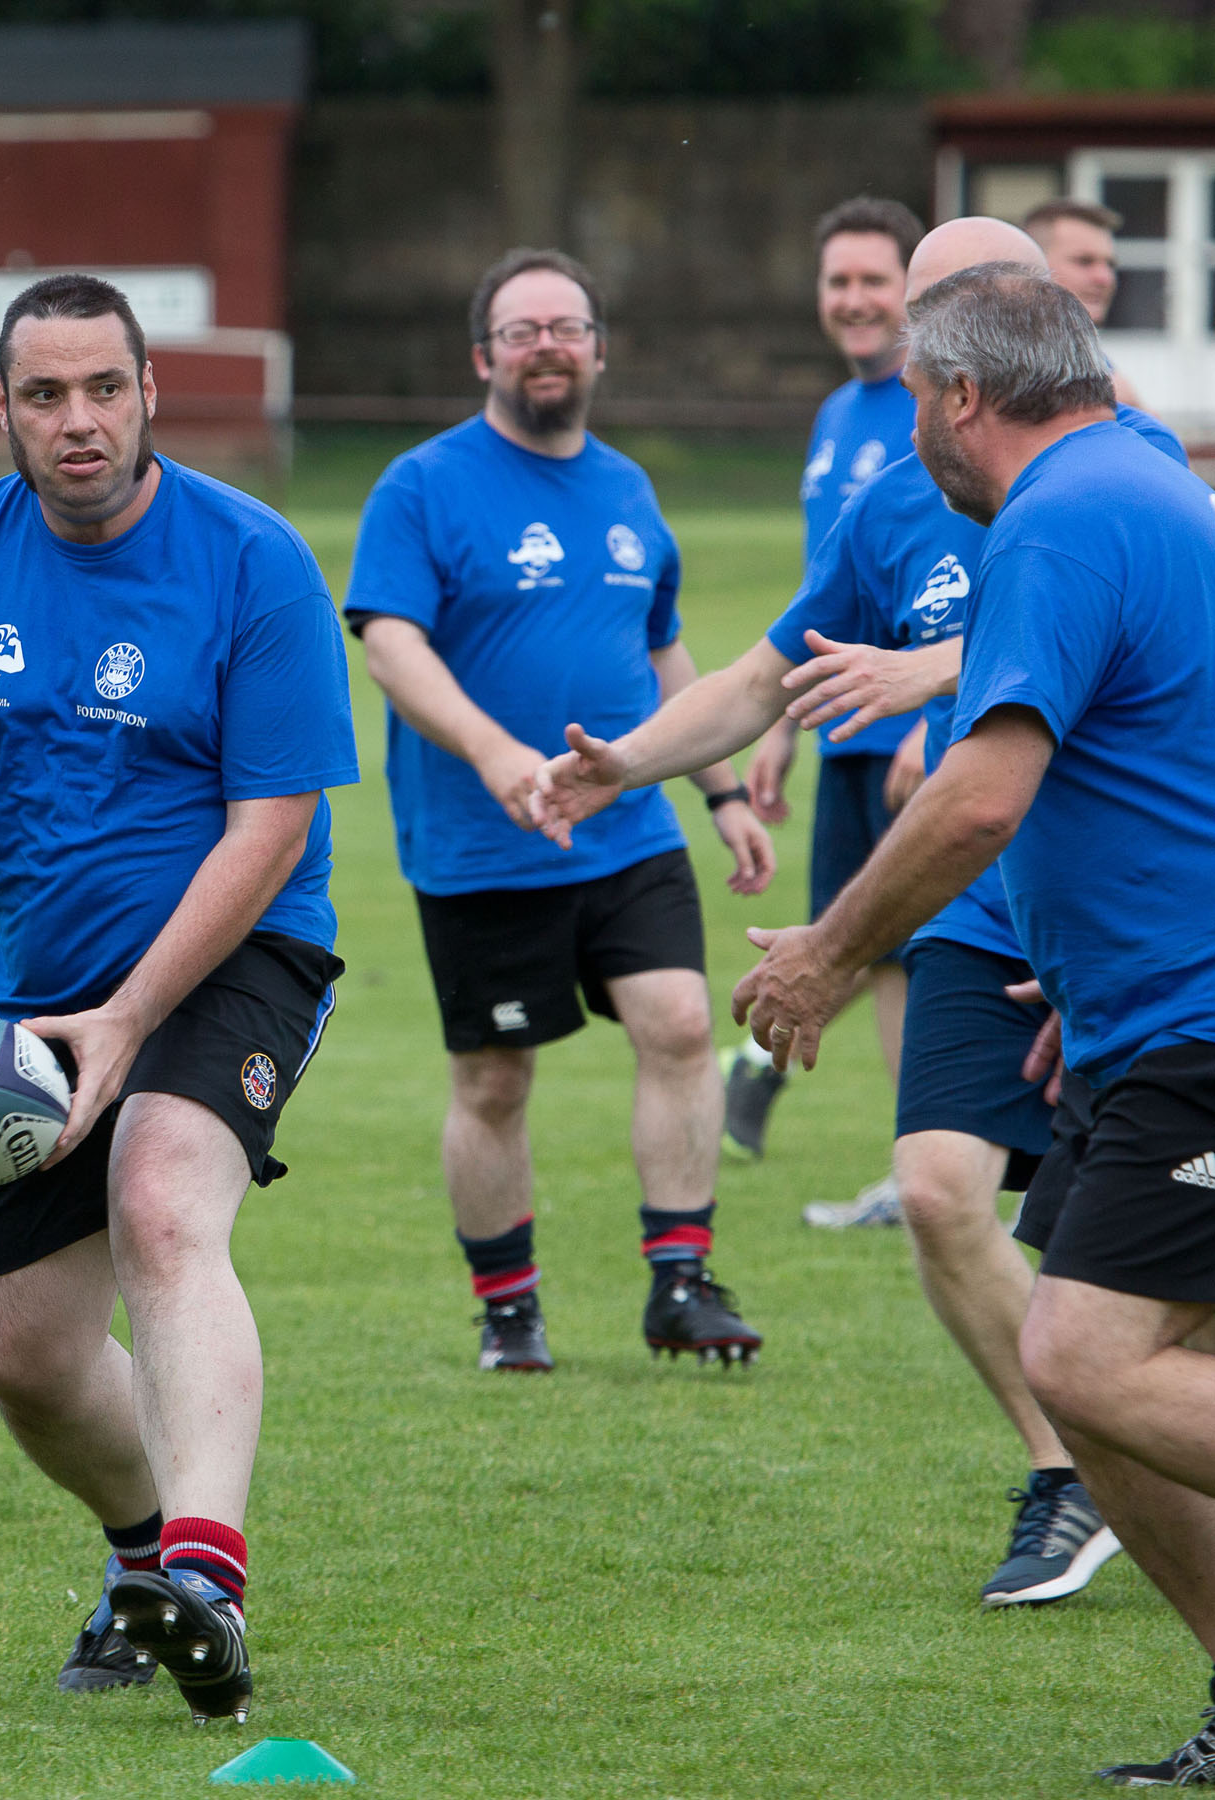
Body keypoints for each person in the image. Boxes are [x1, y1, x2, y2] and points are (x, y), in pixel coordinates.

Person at [534, 216, 1178, 1606]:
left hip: (1090, 892)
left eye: (959, 307)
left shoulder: (1109, 470)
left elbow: (1093, 635)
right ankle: (1065, 1474)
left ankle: (1106, 1447)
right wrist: (628, 764)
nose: (921, 341)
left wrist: (937, 671)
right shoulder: (900, 495)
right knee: (951, 1197)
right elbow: (772, 670)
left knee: (1113, 1319)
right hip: (1002, 903)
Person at [0, 274, 359, 1721]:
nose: (80, 422)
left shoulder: (252, 563)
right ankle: (143, 1563)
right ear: (0, 405)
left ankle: (207, 1575)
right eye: (47, 394)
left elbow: (271, 831)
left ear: (150, 396)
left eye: (105, 390)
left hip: (236, 951)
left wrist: (132, 1020)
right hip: (33, 990)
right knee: (30, 1360)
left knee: (163, 1201)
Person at [729, 263, 1215, 1786]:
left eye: (915, 415)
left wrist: (822, 956)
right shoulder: (1144, 483)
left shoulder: (1061, 520)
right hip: (1135, 1021)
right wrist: (1093, 988)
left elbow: (982, 792)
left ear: (955, 399)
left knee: (1086, 1360)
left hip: (1193, 1025)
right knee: (1123, 1400)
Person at [345, 247, 770, 1377]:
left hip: (628, 829)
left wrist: (721, 792)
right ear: (485, 354)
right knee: (495, 1078)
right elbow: (390, 642)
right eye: (525, 329)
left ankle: (679, 1282)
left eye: (568, 327)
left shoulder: (629, 489)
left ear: (597, 352)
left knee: (680, 1022)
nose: (548, 345)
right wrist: (493, 754)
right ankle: (509, 1308)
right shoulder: (423, 486)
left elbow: (662, 646)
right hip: (486, 841)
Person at [726, 197, 925, 1193]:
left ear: (913, 291)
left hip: (924, 732)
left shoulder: (941, 406)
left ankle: (918, 1170)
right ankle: (905, 1165)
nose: (854, 301)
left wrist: (934, 717)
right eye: (838, 282)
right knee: (875, 943)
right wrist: (783, 722)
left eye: (873, 281)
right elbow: (823, 591)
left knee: (908, 948)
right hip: (847, 729)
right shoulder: (836, 415)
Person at [1024, 197, 1142, 405]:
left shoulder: (1096, 366)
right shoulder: (1002, 365)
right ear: (1032, 263)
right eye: (1084, 261)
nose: (1105, 278)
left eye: (1110, 264)